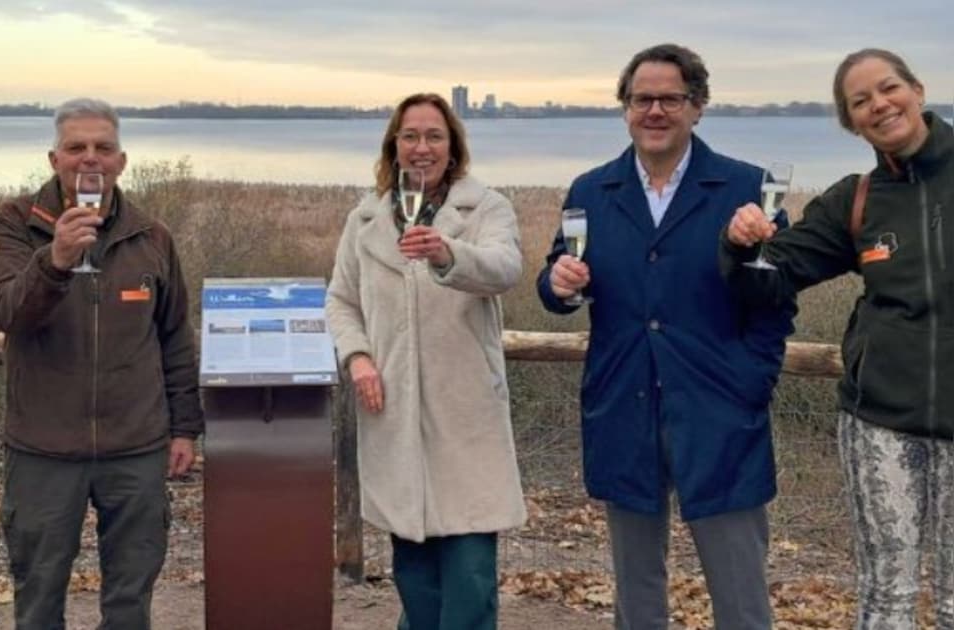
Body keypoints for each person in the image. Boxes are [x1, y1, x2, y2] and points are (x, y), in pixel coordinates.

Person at [536, 44, 796, 629]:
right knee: (636, 595)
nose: (655, 111)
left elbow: (777, 297)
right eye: (641, 99)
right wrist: (559, 283)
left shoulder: (746, 187)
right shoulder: (590, 190)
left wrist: (752, 382)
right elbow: (558, 281)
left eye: (670, 99)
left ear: (697, 107)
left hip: (718, 410)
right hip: (623, 405)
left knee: (741, 598)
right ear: (625, 109)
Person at [720, 48, 953, 629]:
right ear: (851, 123)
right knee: (887, 599)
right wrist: (741, 243)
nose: (880, 104)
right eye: (861, 101)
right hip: (880, 423)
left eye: (889, 88)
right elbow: (770, 280)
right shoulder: (857, 200)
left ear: (918, 92)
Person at [0, 97, 203, 630]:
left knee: (130, 598)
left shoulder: (151, 237)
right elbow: (6, 311)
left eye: (103, 148)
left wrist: (185, 428)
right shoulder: (15, 223)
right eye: (76, 147)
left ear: (121, 161)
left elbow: (174, 336)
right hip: (43, 447)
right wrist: (54, 261)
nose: (90, 159)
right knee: (37, 595)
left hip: (137, 446)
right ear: (54, 158)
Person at [325, 92, 526, 630]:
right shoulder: (365, 218)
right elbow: (341, 301)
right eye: (410, 136)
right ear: (393, 145)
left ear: (452, 146)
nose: (421, 147)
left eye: (434, 136)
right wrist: (359, 357)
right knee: (414, 576)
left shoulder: (485, 208)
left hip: (465, 415)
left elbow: (505, 268)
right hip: (391, 411)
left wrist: (446, 254)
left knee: (469, 578)